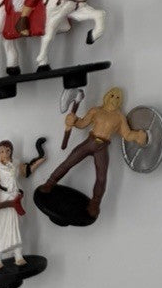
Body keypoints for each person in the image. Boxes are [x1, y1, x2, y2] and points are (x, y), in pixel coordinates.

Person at [36, 87, 146, 220]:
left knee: (101, 177)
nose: (114, 99)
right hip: (89, 142)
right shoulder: (96, 110)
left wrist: (137, 136)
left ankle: (95, 203)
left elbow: (127, 134)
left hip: (102, 148)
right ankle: (50, 183)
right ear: (106, 96)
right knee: (68, 162)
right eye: (112, 95)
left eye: (118, 97)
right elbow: (82, 123)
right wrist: (73, 121)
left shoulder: (119, 117)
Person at [0, 140, 47, 270]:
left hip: (16, 199)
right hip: (3, 200)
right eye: (2, 151)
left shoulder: (15, 163)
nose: (5, 153)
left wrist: (39, 161)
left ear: (11, 151)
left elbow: (25, 171)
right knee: (2, 228)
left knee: (16, 228)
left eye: (8, 150)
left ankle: (18, 255)